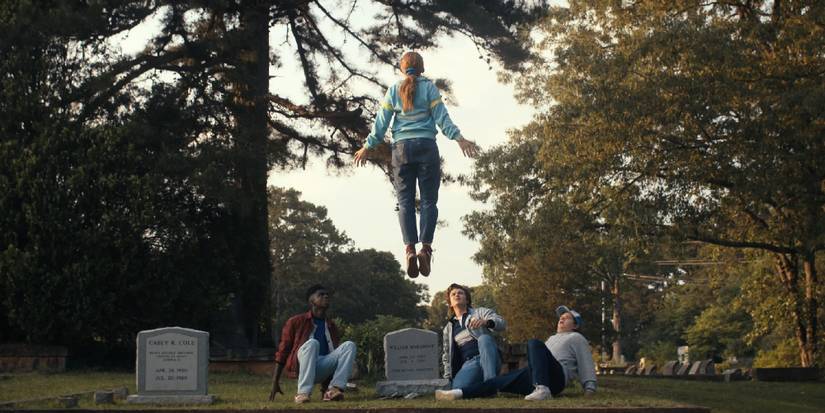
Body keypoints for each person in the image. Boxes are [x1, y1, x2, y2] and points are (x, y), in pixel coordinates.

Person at [353, 51, 479, 278]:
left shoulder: (393, 90)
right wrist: (459, 138)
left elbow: (381, 124)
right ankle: (426, 249)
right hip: (426, 146)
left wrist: (367, 146)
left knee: (405, 202)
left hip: (401, 150)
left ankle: (410, 249)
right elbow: (442, 117)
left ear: (402, 69)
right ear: (421, 68)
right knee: (429, 200)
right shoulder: (429, 88)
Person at [436, 305, 597, 401]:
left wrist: (589, 388)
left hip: (556, 378)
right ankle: (457, 393)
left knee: (534, 343)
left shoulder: (576, 338)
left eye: (567, 318)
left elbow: (586, 362)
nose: (561, 319)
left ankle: (542, 389)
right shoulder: (551, 339)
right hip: (534, 376)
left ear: (575, 325)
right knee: (496, 382)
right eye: (560, 317)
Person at [269, 284, 357, 404]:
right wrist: (275, 382)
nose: (326, 296)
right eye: (321, 294)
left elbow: (333, 356)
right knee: (313, 343)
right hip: (303, 365)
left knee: (349, 345)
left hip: (322, 368)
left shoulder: (331, 326)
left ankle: (333, 390)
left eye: (327, 295)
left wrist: (324, 387)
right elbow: (283, 351)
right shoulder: (296, 321)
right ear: (312, 301)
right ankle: (303, 393)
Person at [442, 283, 506, 390]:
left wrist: (486, 322)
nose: (457, 295)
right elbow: (446, 356)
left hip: (489, 357)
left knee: (484, 338)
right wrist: (447, 377)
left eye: (460, 293)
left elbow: (502, 323)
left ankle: (491, 385)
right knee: (458, 387)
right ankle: (482, 384)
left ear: (467, 300)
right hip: (470, 363)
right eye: (453, 294)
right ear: (450, 303)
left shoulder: (479, 312)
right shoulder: (448, 328)